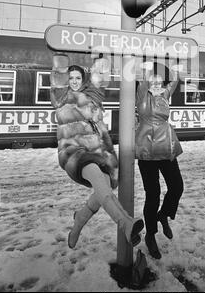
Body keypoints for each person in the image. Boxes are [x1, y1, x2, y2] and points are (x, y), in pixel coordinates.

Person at [50, 53, 144, 249]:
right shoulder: (60, 96)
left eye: (78, 78)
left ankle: (79, 220)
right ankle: (125, 223)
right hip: (73, 151)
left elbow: (101, 75)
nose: (74, 81)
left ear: (83, 79)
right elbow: (58, 73)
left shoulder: (93, 97)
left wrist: (101, 55)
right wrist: (61, 49)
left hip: (98, 151)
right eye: (70, 78)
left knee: (105, 186)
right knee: (98, 179)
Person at [135, 65, 184, 259]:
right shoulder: (141, 94)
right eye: (152, 80)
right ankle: (151, 235)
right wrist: (149, 65)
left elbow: (175, 78)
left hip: (166, 148)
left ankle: (163, 214)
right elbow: (145, 78)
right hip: (147, 150)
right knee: (152, 194)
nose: (156, 83)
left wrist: (172, 62)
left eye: (159, 80)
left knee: (177, 187)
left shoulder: (165, 94)